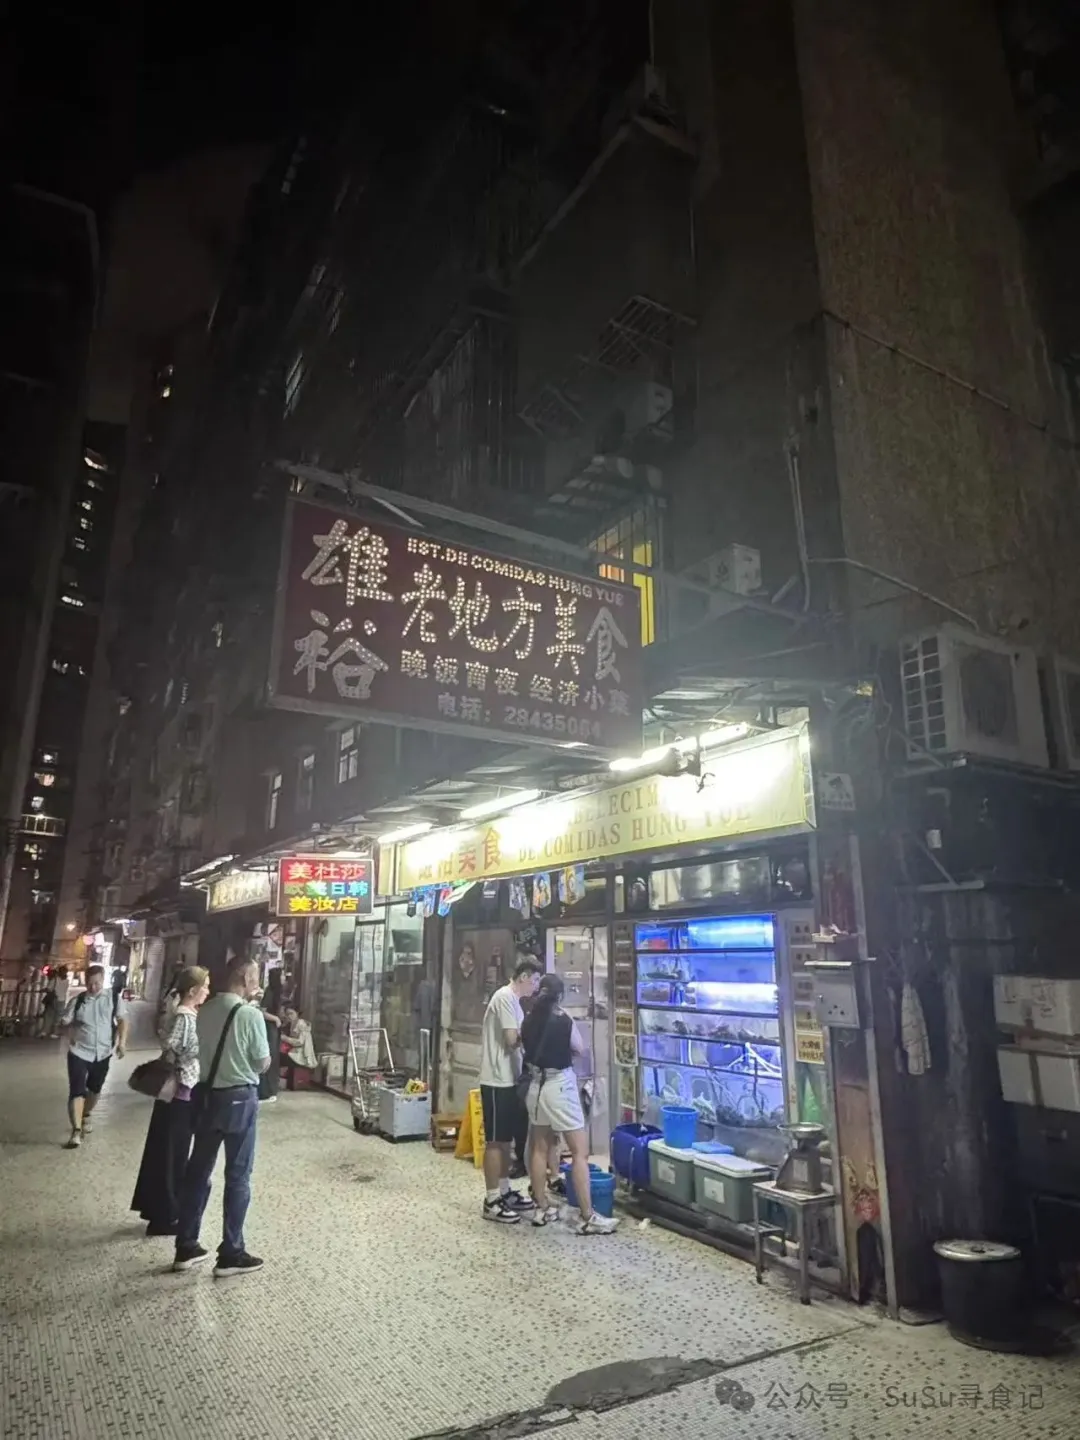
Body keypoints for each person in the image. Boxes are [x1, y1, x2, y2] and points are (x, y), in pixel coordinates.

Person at [173, 958, 270, 1277]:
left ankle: (186, 1246)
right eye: (255, 976)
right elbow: (262, 1062)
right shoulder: (250, 1015)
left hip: (206, 1098)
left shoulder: (205, 1010)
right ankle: (231, 1252)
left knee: (198, 1171)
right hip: (240, 1099)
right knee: (238, 1176)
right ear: (243, 977)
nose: (257, 982)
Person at [523, 973, 618, 1234]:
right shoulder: (563, 1019)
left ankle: (541, 1208)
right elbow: (579, 1048)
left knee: (539, 1148)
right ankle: (588, 1217)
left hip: (536, 1086)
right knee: (579, 1152)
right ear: (560, 996)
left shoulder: (528, 1019)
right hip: (559, 1086)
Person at [131, 965, 210, 1235]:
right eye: (205, 987)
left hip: (181, 1092)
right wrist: (193, 1054)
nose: (207, 991)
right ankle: (165, 1214)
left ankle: (166, 1211)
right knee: (172, 1153)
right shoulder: (184, 1017)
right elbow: (170, 1046)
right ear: (193, 990)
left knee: (171, 1151)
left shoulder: (186, 1014)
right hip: (179, 1092)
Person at [478, 955, 541, 1223]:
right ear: (524, 976)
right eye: (534, 980)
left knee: (505, 1141)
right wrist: (536, 1033)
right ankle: (491, 1199)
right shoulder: (504, 997)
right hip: (496, 1080)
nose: (535, 987)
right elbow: (511, 1038)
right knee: (495, 1141)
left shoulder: (514, 1001)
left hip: (510, 1078)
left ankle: (504, 1191)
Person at [60, 964, 129, 1149]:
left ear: (103, 980)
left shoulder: (113, 998)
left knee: (95, 1090)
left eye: (97, 983)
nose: (93, 987)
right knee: (77, 1090)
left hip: (103, 1053)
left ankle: (85, 1113)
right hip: (79, 1051)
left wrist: (122, 1043)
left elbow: (122, 1020)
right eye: (89, 983)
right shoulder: (78, 1001)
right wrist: (69, 1031)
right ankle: (76, 1131)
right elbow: (64, 1023)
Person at [258, 970, 283, 1103]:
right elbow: (262, 1011)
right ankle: (266, 1091)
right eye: (282, 975)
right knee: (270, 1057)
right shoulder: (270, 992)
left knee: (274, 1058)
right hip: (269, 1028)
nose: (284, 977)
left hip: (274, 1028)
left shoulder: (278, 992)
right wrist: (276, 1019)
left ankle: (271, 1090)